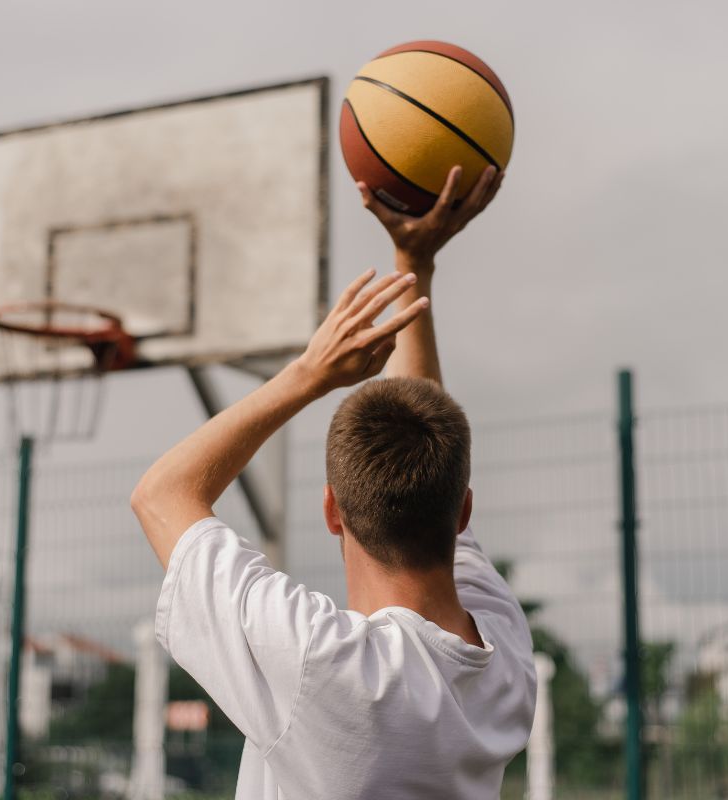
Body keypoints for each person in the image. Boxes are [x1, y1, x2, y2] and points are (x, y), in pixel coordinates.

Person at [131, 164, 536, 799]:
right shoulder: (503, 652)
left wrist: (309, 375)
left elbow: (160, 493)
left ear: (332, 510)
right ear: (461, 512)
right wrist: (413, 262)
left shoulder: (320, 662)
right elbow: (425, 426)